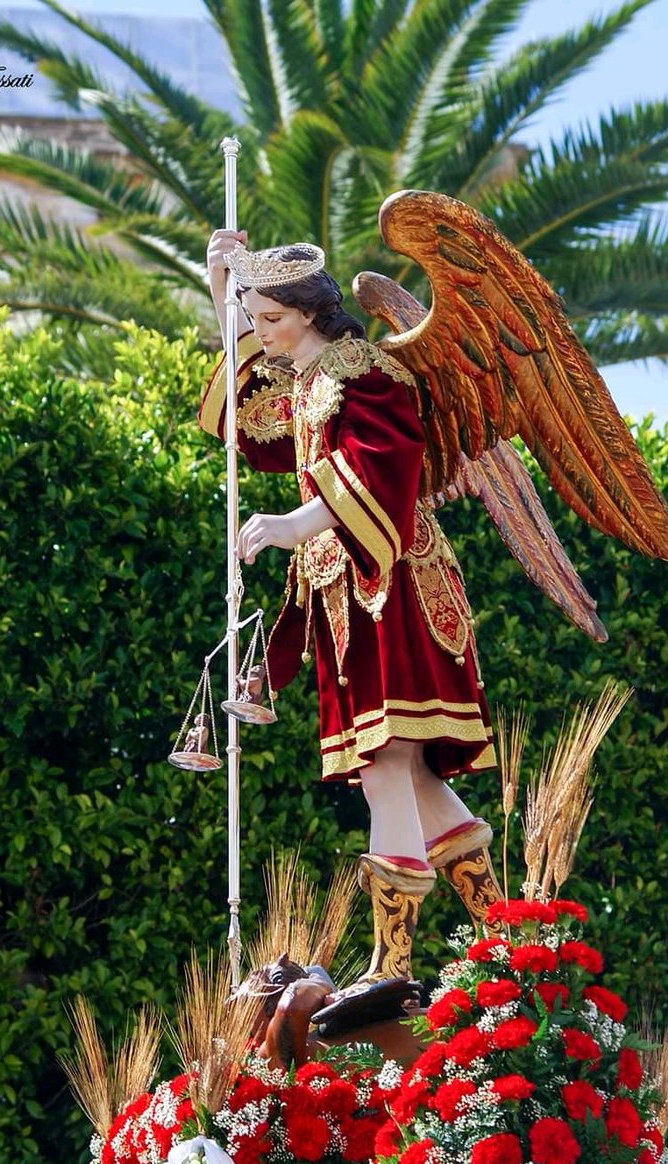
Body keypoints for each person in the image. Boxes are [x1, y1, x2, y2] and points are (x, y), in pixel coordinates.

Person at [201, 229, 504, 1001]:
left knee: (386, 765)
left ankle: (393, 965)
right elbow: (253, 428)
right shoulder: (307, 382)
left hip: (389, 584)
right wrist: (221, 292)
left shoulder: (364, 370)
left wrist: (294, 523)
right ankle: (509, 941)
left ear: (308, 312)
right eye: (255, 320)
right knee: (405, 772)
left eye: (271, 319)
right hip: (349, 597)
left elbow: (383, 464)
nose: (261, 332)